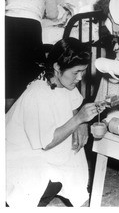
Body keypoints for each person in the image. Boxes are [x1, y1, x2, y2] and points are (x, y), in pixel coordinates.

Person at [5, 37, 106, 207]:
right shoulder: (37, 93)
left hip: (46, 144)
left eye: (83, 71)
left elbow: (74, 104)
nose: (80, 78)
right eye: (76, 72)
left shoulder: (62, 83)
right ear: (57, 67)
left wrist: (82, 124)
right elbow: (47, 142)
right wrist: (79, 119)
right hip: (20, 153)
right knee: (38, 183)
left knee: (74, 161)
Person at [5, 0, 63, 111]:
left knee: (10, 74)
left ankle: (8, 120)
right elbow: (53, 14)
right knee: (31, 73)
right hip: (29, 27)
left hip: (7, 24)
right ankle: (27, 112)